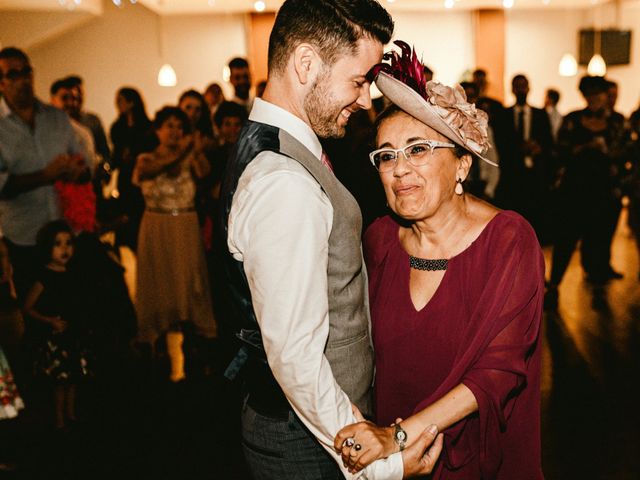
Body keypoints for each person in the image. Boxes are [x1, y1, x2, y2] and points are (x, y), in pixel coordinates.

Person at [219, 2, 440, 479]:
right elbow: (296, 356)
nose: (366, 99)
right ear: (305, 64)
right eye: (359, 80)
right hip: (308, 443)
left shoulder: (283, 145)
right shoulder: (284, 182)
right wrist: (381, 467)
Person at [333, 42, 544, 479]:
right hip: (394, 465)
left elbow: (497, 373)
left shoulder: (508, 240)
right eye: (387, 155)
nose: (399, 169)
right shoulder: (379, 240)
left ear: (463, 165)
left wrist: (399, 437)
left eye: (418, 149)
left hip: (480, 460)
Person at [132, 106, 216, 382]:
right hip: (156, 228)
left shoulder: (191, 155)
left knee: (190, 284)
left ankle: (194, 351)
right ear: (157, 130)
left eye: (179, 126)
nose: (174, 131)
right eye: (168, 125)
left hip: (185, 226)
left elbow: (206, 175)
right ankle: (157, 353)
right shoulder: (145, 159)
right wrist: (185, 149)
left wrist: (199, 151)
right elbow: (155, 170)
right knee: (159, 284)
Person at [0, 47, 88, 299]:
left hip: (64, 233)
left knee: (72, 309)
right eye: (14, 74)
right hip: (25, 236)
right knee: (34, 311)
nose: (23, 80)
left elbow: (83, 167)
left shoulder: (57, 118)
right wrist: (47, 175)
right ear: (1, 83)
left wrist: (77, 171)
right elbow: (2, 186)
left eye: (26, 71)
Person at [546, 76, 627, 308]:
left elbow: (627, 153)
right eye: (589, 94)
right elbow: (558, 151)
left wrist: (606, 150)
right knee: (566, 240)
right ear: (583, 95)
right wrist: (581, 148)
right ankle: (554, 286)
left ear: (605, 96)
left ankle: (598, 290)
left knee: (599, 243)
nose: (594, 98)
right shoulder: (572, 119)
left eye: (598, 94)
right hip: (574, 192)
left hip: (604, 193)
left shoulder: (617, 121)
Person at [23, 221, 91, 429]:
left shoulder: (73, 273)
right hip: (56, 336)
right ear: (47, 248)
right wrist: (49, 321)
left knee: (73, 377)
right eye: (58, 244)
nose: (65, 249)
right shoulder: (44, 277)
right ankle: (59, 417)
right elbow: (28, 307)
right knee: (60, 381)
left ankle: (70, 414)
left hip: (73, 333)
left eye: (68, 243)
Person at [496, 74, 553, 240]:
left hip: (535, 174)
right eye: (517, 86)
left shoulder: (540, 114)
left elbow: (549, 142)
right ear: (512, 89)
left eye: (523, 86)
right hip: (511, 174)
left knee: (534, 216)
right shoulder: (504, 115)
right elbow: (499, 143)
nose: (521, 89)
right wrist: (518, 149)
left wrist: (538, 149)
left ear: (529, 88)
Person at [109, 87, 154, 251]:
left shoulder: (147, 128)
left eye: (120, 100)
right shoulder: (118, 128)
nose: (117, 104)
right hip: (124, 179)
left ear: (131, 102)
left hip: (141, 180)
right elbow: (115, 155)